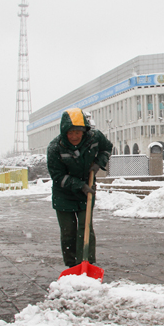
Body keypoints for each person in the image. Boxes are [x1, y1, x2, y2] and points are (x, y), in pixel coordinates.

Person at [47, 108, 113, 267]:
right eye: (70, 133)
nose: (75, 136)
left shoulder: (94, 138)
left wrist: (99, 163)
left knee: (85, 228)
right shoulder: (55, 148)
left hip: (87, 190)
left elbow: (107, 148)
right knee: (68, 231)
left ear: (84, 131)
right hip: (64, 194)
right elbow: (58, 177)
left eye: (78, 132)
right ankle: (73, 266)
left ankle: (86, 263)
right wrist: (79, 185)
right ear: (64, 132)